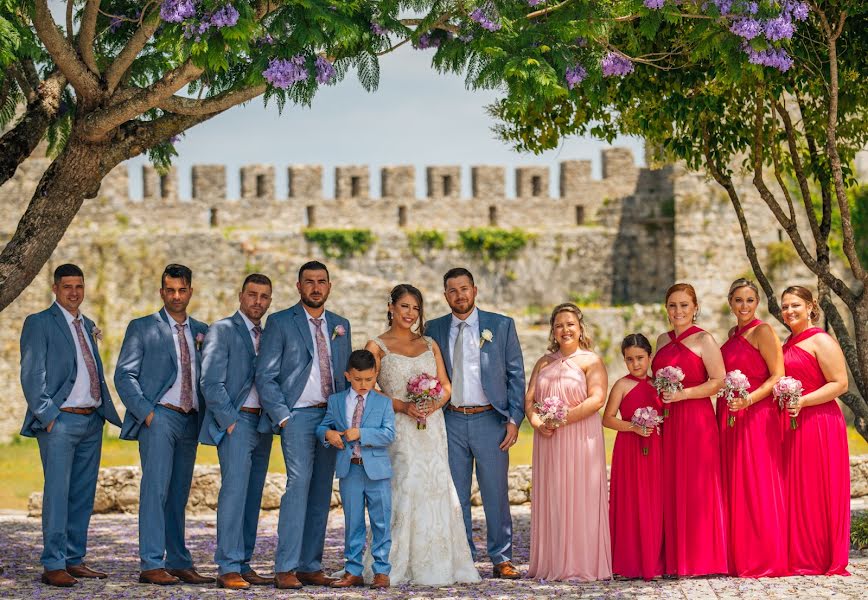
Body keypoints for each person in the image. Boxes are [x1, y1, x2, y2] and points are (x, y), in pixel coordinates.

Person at [364, 284, 481, 585]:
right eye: (404, 306)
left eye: (416, 308)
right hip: (400, 429)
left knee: (436, 486)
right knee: (406, 485)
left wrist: (433, 403)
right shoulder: (377, 347)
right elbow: (367, 390)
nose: (410, 313)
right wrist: (403, 405)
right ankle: (391, 562)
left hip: (432, 426)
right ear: (391, 307)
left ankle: (440, 560)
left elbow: (446, 386)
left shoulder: (429, 343)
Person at [20, 263, 122, 587]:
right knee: (58, 493)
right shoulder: (39, 323)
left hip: (91, 421)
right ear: (55, 288)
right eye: (67, 287)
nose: (74, 292)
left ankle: (74, 559)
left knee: (82, 494)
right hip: (60, 423)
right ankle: (53, 563)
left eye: (79, 286)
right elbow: (32, 375)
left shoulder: (88, 324)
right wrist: (48, 417)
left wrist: (100, 414)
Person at [114, 264, 213, 585]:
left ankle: (179, 560)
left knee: (179, 494)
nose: (176, 296)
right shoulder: (142, 327)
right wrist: (147, 413)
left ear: (190, 292)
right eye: (170, 290)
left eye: (182, 290)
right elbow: (124, 375)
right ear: (161, 292)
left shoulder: (203, 330)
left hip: (191, 420)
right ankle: (151, 563)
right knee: (155, 490)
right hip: (160, 416)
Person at [256, 261, 352, 590]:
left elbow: (344, 374)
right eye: (308, 282)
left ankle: (310, 565)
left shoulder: (341, 325)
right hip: (296, 416)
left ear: (329, 285)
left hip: (331, 417)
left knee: (322, 490)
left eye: (321, 281)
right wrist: (283, 416)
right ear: (298, 286)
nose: (315, 287)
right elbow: (265, 375)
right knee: (297, 486)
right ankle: (286, 567)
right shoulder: (280, 322)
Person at [426, 267, 525, 578]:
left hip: (490, 420)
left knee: (495, 493)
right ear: (445, 296)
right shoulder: (434, 328)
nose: (460, 295)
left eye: (464, 288)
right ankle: (463, 558)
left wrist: (513, 419)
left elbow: (516, 375)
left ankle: (501, 558)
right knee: (455, 495)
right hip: (451, 420)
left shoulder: (501, 325)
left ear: (475, 290)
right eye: (453, 290)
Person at [199, 274, 276, 589]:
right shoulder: (222, 330)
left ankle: (243, 563)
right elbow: (210, 381)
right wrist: (229, 420)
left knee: (253, 494)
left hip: (263, 423)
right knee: (233, 492)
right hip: (238, 421)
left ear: (270, 300)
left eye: (264, 297)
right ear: (241, 295)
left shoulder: (270, 333)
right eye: (252, 295)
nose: (257, 302)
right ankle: (227, 566)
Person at [525, 303, 611, 581]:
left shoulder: (591, 361)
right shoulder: (544, 362)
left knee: (581, 495)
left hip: (581, 437)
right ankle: (553, 562)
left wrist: (561, 419)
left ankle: (582, 563)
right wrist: (538, 423)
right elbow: (530, 401)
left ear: (580, 327)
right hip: (549, 440)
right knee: (554, 497)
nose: (565, 329)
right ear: (553, 330)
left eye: (570, 324)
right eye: (559, 325)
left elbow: (597, 399)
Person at [651, 283, 727, 576]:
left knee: (698, 484)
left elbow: (718, 380)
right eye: (672, 305)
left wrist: (683, 394)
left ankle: (701, 558)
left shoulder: (704, 340)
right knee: (670, 483)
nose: (678, 311)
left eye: (684, 305)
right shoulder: (661, 340)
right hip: (668, 421)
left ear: (695, 308)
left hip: (696, 420)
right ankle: (673, 556)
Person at [718, 279, 787, 577]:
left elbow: (777, 375)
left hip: (757, 415)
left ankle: (763, 556)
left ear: (756, 302)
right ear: (730, 303)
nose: (744, 306)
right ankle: (736, 554)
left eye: (749, 300)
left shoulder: (763, 331)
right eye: (738, 300)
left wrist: (748, 400)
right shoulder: (733, 334)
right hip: (730, 416)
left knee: (757, 481)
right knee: (734, 482)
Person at [780, 286, 850, 575]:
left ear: (811, 306)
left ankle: (821, 555)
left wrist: (803, 400)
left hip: (820, 421)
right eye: (785, 307)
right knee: (797, 488)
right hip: (793, 423)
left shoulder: (821, 341)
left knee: (819, 486)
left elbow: (840, 383)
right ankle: (799, 553)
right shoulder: (786, 342)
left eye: (795, 305)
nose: (789, 311)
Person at [317, 349, 396, 590]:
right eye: (358, 379)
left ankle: (381, 570)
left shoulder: (384, 402)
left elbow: (389, 434)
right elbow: (323, 427)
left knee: (381, 521)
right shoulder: (336, 401)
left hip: (377, 472)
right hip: (349, 469)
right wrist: (328, 434)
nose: (364, 385)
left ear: (375, 375)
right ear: (348, 376)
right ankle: (353, 570)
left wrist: (362, 433)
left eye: (369, 380)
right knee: (353, 522)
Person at [603, 334, 663, 581]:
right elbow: (607, 418)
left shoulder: (660, 384)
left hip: (657, 449)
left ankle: (655, 561)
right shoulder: (621, 385)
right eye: (630, 360)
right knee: (630, 501)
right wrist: (633, 427)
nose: (636, 364)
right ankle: (628, 562)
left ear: (650, 357)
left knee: (655, 502)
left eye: (640, 358)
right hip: (629, 449)